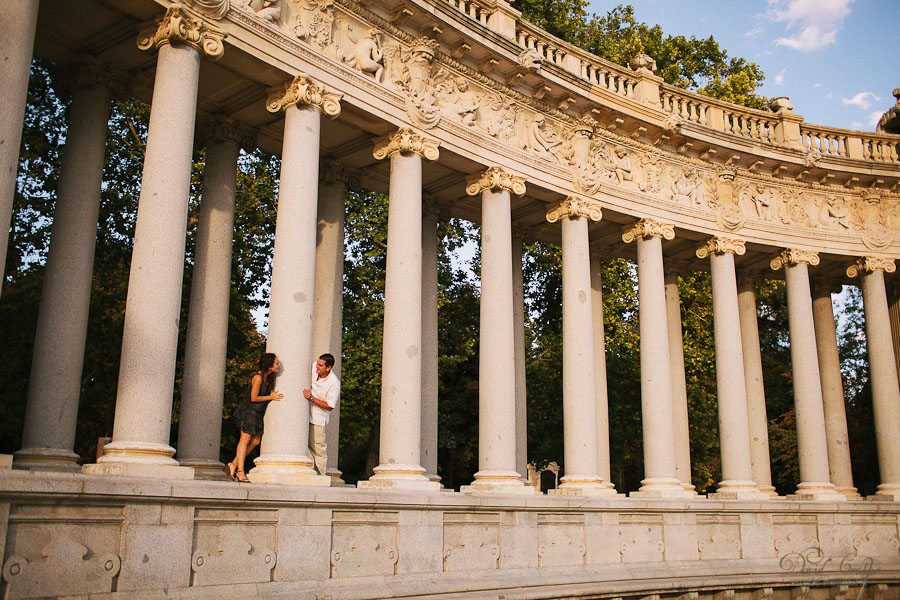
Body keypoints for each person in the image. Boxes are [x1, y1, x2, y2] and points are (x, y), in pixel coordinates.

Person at [227, 352, 283, 482]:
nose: (278, 365)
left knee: (256, 441)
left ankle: (233, 464)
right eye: (276, 363)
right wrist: (272, 397)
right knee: (245, 440)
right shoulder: (258, 378)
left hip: (257, 413)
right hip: (249, 411)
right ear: (269, 365)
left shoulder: (268, 378)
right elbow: (254, 398)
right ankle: (240, 471)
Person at [303, 353, 340, 476]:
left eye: (320, 365)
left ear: (328, 368)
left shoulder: (334, 383)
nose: (316, 367)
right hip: (303, 415)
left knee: (318, 449)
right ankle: (309, 472)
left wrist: (312, 398)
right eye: (317, 363)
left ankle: (321, 476)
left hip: (318, 420)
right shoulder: (314, 366)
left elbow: (330, 406)